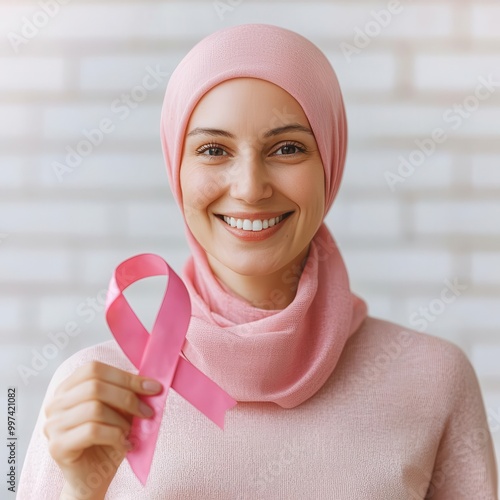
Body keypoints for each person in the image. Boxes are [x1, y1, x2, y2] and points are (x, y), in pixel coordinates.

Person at [18, 23, 498, 499]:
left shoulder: (433, 379)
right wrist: (81, 491)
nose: (249, 187)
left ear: (330, 161)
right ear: (175, 168)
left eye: (287, 148)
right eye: (213, 150)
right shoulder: (94, 395)